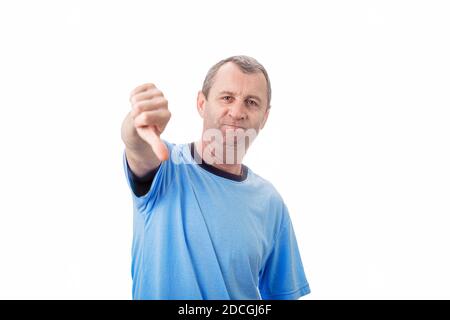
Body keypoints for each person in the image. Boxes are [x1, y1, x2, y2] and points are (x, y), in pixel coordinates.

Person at [121, 55, 310, 300]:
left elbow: (283, 296)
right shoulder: (165, 168)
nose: (237, 112)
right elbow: (139, 149)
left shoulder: (270, 202)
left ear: (264, 117)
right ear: (201, 103)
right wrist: (135, 128)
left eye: (251, 102)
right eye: (227, 98)